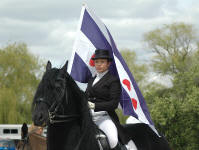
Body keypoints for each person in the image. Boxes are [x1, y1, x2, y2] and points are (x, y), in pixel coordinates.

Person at [85, 49, 129, 150]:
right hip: (88, 117)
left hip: (104, 117)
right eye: (96, 62)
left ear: (108, 64)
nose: (99, 65)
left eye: (102, 62)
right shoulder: (91, 80)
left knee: (113, 139)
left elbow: (113, 103)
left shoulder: (113, 80)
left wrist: (94, 106)